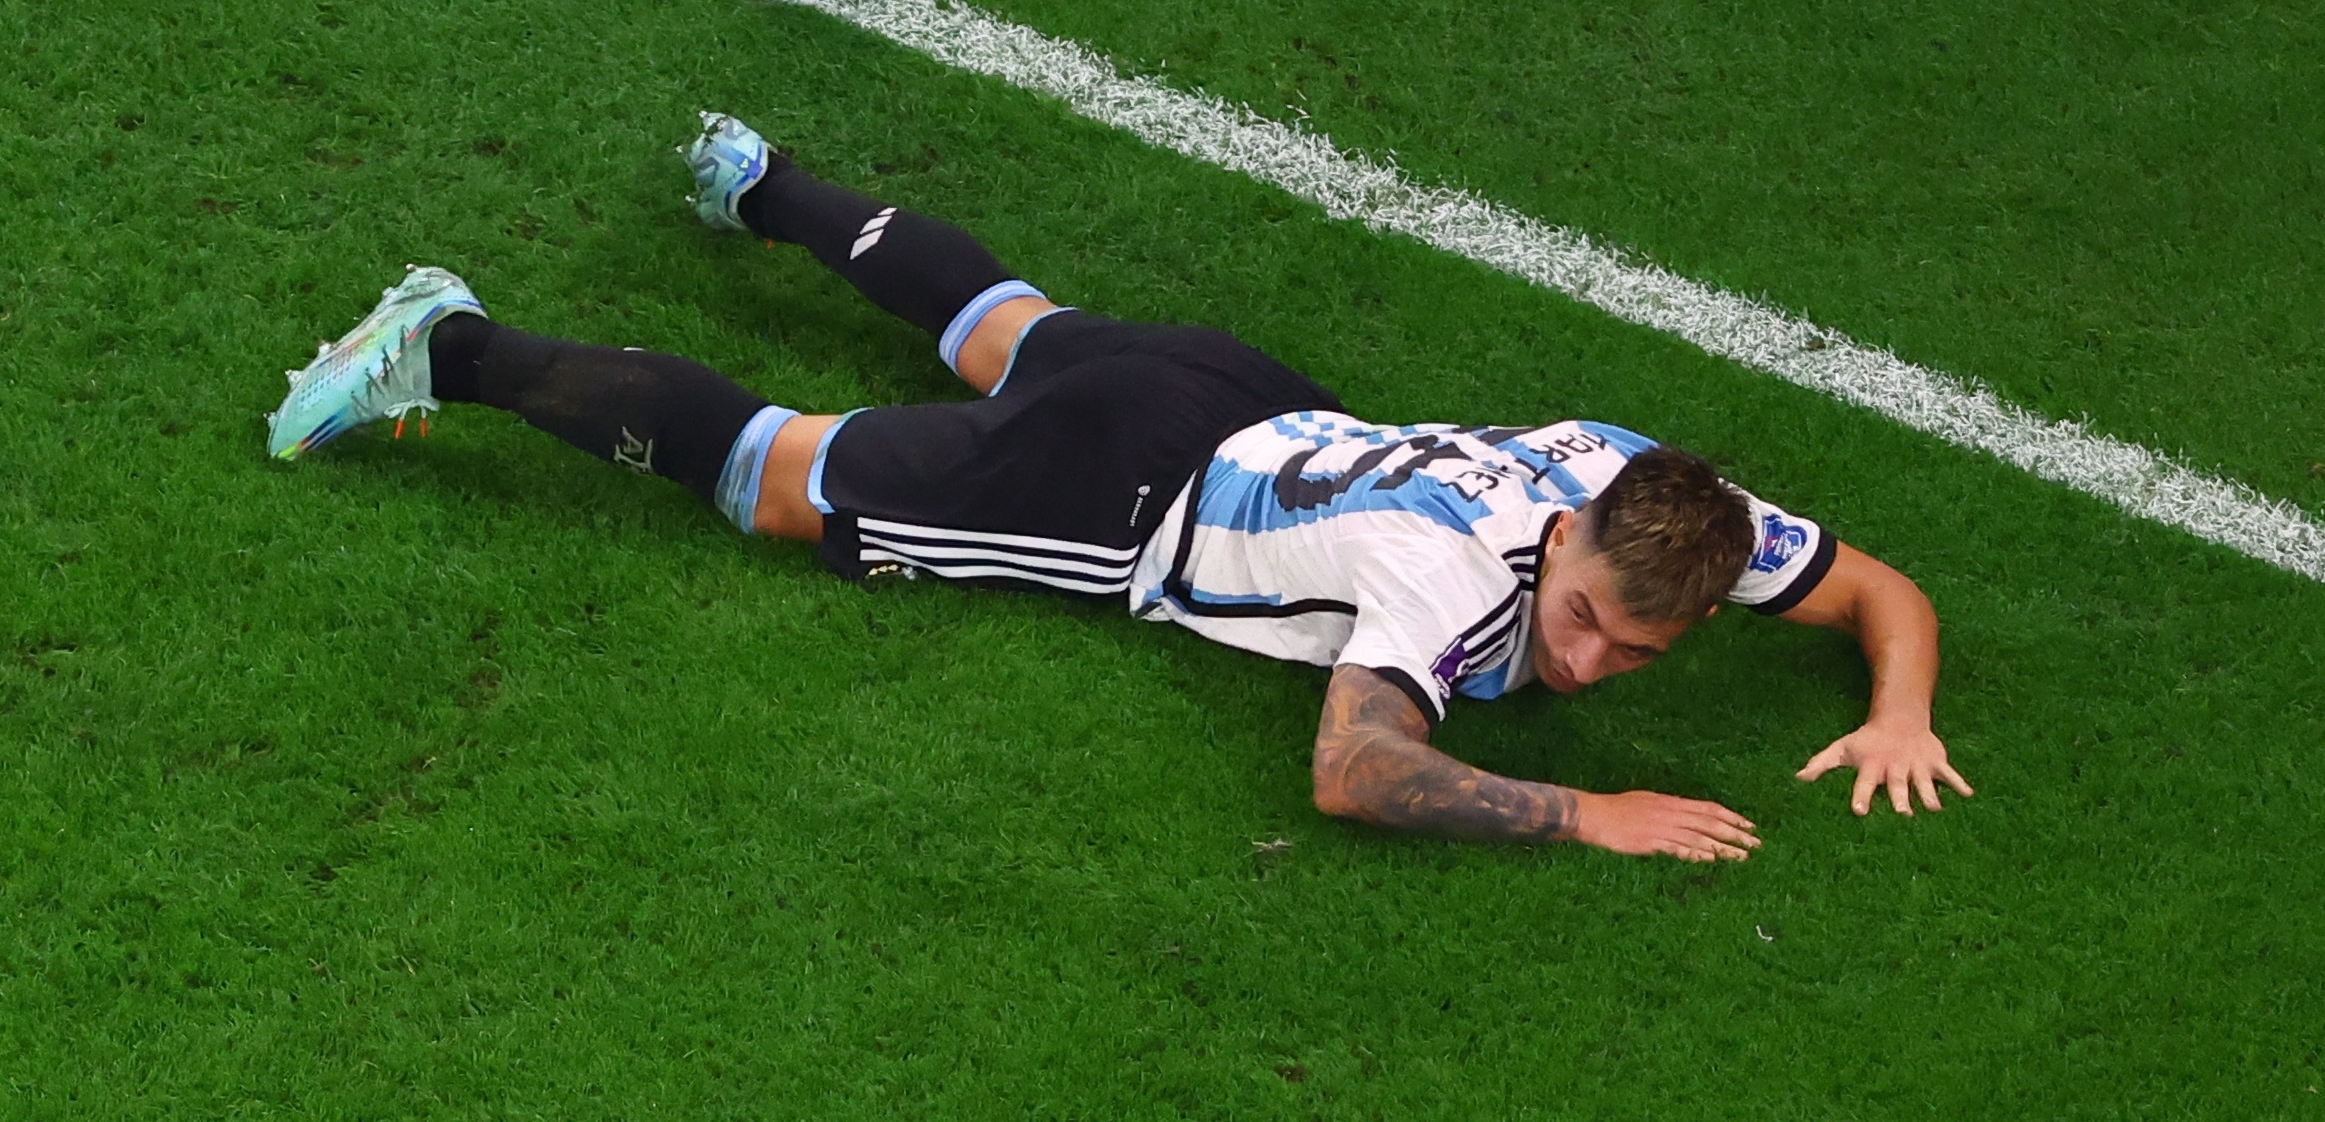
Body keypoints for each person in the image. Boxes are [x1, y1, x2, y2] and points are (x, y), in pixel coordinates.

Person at [264, 112, 1965, 862]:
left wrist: (1901, 712)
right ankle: (455, 347)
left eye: (1635, 658)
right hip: (1135, 490)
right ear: (1567, 543)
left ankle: (759, 182)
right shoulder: (1454, 593)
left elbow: (1880, 588)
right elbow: (1358, 775)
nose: (1585, 667)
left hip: (1253, 393)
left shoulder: (1655, 498)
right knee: (783, 479)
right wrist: (1588, 813)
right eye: (1586, 621)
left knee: (1006, 324)